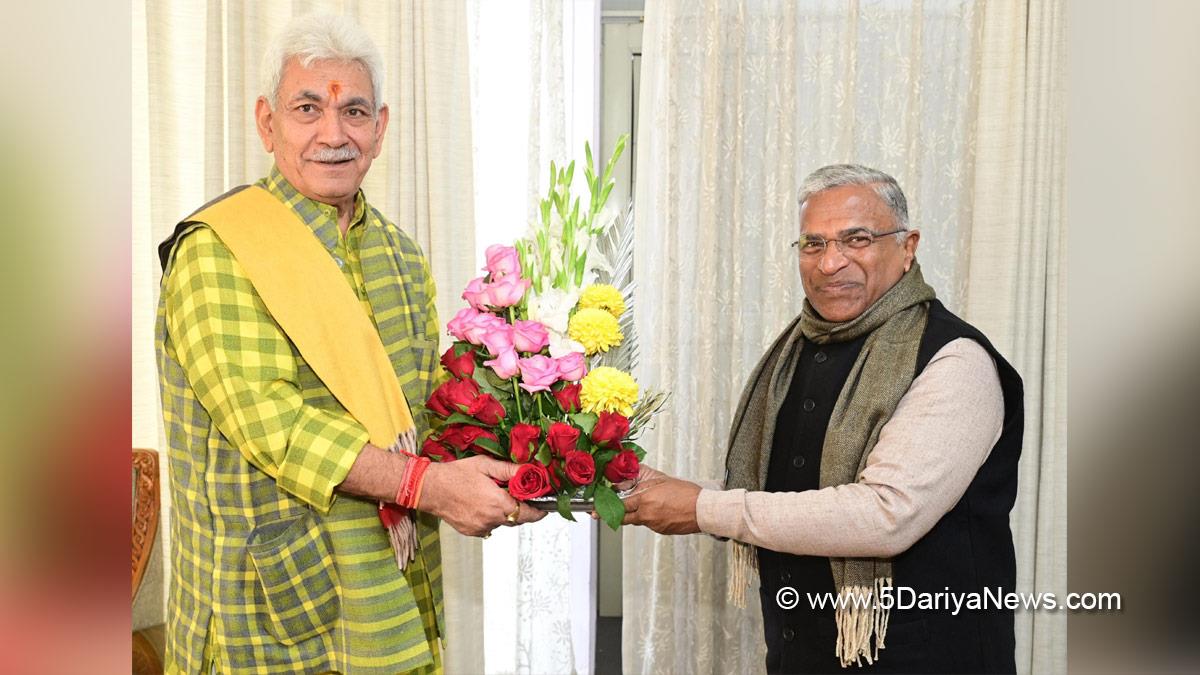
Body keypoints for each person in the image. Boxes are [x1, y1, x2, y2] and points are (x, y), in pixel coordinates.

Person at [155, 14, 542, 674]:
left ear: (381, 128)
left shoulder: (400, 255)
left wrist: (535, 443)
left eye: (353, 111)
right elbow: (277, 428)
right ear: (266, 122)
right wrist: (435, 487)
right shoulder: (220, 252)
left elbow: (424, 416)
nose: (333, 134)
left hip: (392, 600)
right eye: (308, 108)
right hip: (270, 615)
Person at [622, 164, 1024, 673]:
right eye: (813, 244)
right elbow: (788, 490)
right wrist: (669, 492)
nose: (831, 262)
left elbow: (885, 515)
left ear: (908, 247)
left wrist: (703, 509)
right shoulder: (795, 352)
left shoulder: (954, 360)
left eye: (856, 239)